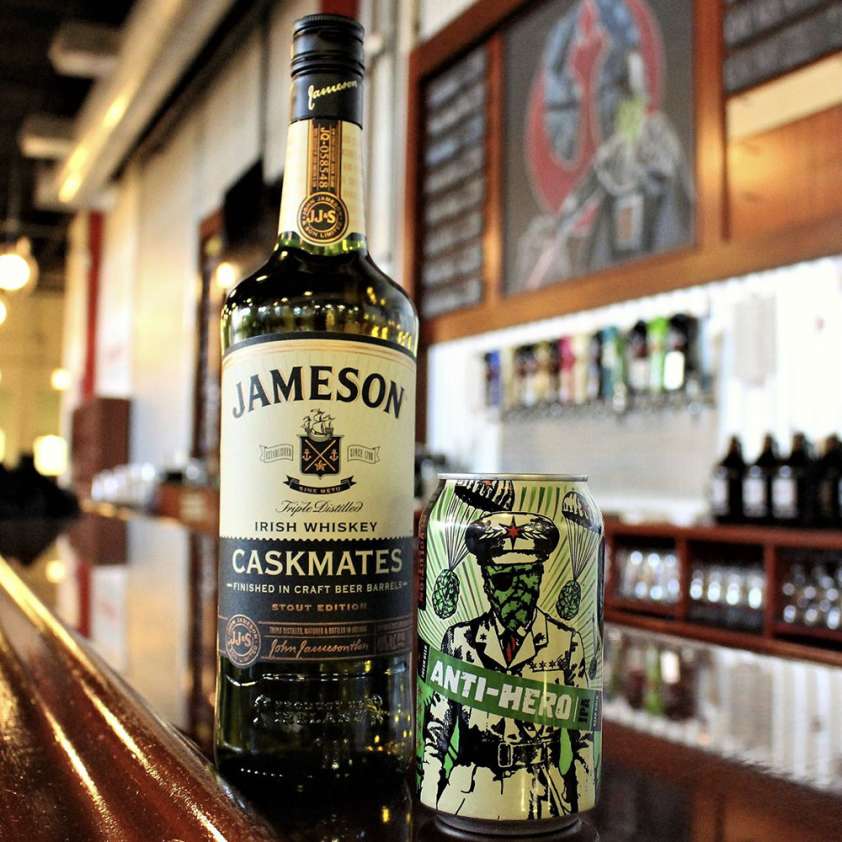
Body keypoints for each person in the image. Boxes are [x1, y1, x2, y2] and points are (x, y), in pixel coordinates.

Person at [420, 511, 593, 819]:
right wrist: (431, 792)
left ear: (540, 578)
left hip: (545, 790)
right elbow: (436, 734)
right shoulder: (460, 640)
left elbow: (584, 737)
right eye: (503, 580)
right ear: (486, 584)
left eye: (527, 577)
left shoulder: (566, 642)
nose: (517, 591)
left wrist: (576, 796)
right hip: (468, 788)